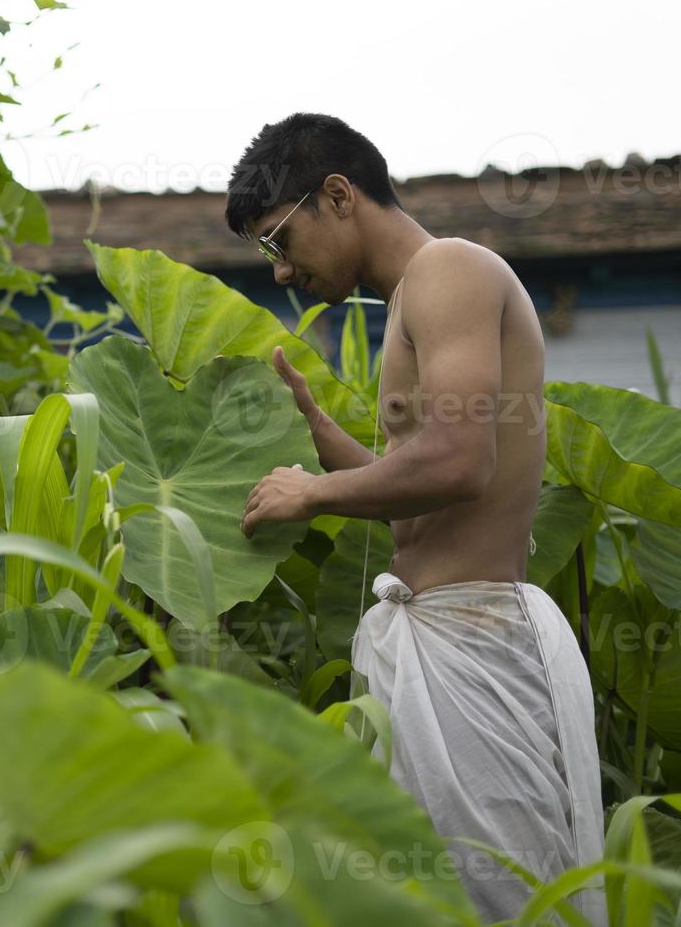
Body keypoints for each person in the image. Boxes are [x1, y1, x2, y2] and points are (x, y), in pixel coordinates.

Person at [228, 113, 606, 925]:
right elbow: (424, 500)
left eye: (278, 240)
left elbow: (462, 462)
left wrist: (314, 494)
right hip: (442, 640)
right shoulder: (413, 300)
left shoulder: (450, 271)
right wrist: (323, 440)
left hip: (483, 643)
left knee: (507, 907)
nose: (282, 273)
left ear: (337, 195)